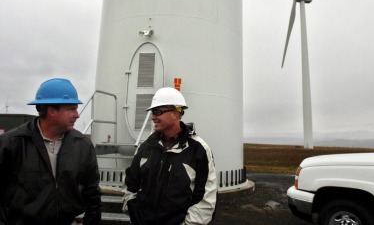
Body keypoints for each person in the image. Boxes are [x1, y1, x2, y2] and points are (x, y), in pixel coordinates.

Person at [0, 78, 101, 225]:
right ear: (51, 111)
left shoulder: (83, 145)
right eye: (71, 109)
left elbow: (92, 191)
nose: (77, 115)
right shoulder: (11, 143)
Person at [123, 87, 217, 225]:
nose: (153, 117)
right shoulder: (146, 147)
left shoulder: (199, 150)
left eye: (157, 112)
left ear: (175, 113)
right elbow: (130, 186)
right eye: (153, 112)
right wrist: (134, 214)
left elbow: (205, 199)